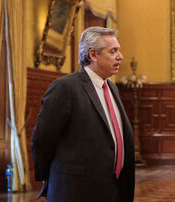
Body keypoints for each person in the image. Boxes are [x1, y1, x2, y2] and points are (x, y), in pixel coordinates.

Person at [31, 27, 135, 202]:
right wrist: (54, 177)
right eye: (113, 51)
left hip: (114, 190)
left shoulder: (112, 88)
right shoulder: (65, 87)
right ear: (93, 54)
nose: (120, 56)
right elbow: (42, 139)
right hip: (76, 191)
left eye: (119, 50)